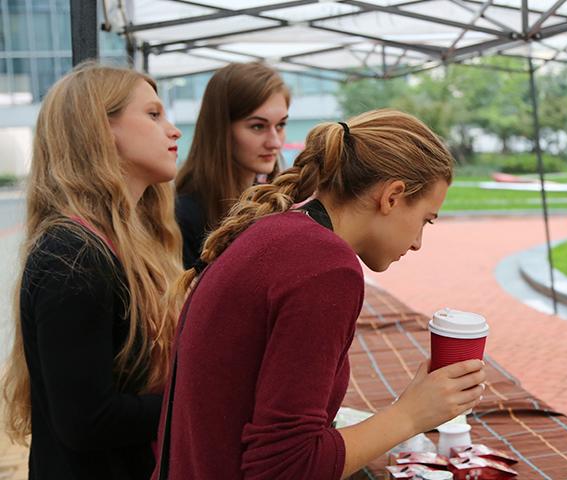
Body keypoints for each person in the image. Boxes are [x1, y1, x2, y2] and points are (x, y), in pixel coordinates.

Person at [153, 109, 486, 479]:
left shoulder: (282, 231)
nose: (419, 243)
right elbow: (286, 468)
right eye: (426, 219)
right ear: (392, 196)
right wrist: (411, 414)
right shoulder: (326, 267)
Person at [0, 62, 183, 479]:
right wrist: (203, 398)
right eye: (153, 115)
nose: (172, 131)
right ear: (100, 130)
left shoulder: (122, 242)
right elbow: (87, 419)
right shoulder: (74, 256)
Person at [174, 62, 290, 269]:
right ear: (220, 129)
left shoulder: (272, 202)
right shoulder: (184, 214)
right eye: (258, 126)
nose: (275, 142)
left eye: (281, 125)